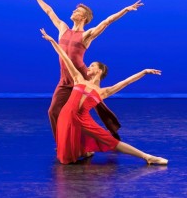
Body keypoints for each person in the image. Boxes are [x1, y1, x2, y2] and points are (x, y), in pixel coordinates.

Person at [26, 0, 143, 140]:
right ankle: (61, 141)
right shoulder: (62, 28)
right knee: (53, 111)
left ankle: (112, 131)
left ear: (84, 18)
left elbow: (107, 22)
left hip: (81, 77)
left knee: (94, 105)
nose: (74, 11)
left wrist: (126, 10)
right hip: (65, 79)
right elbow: (49, 11)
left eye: (78, 10)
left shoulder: (86, 35)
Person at [40, 28, 168, 165]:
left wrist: (144, 72)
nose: (88, 67)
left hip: (83, 120)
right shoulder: (78, 78)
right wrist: (53, 41)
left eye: (92, 65)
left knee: (111, 141)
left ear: (99, 71)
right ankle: (85, 151)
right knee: (66, 159)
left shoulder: (104, 92)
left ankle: (147, 157)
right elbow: (66, 59)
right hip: (66, 117)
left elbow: (126, 82)